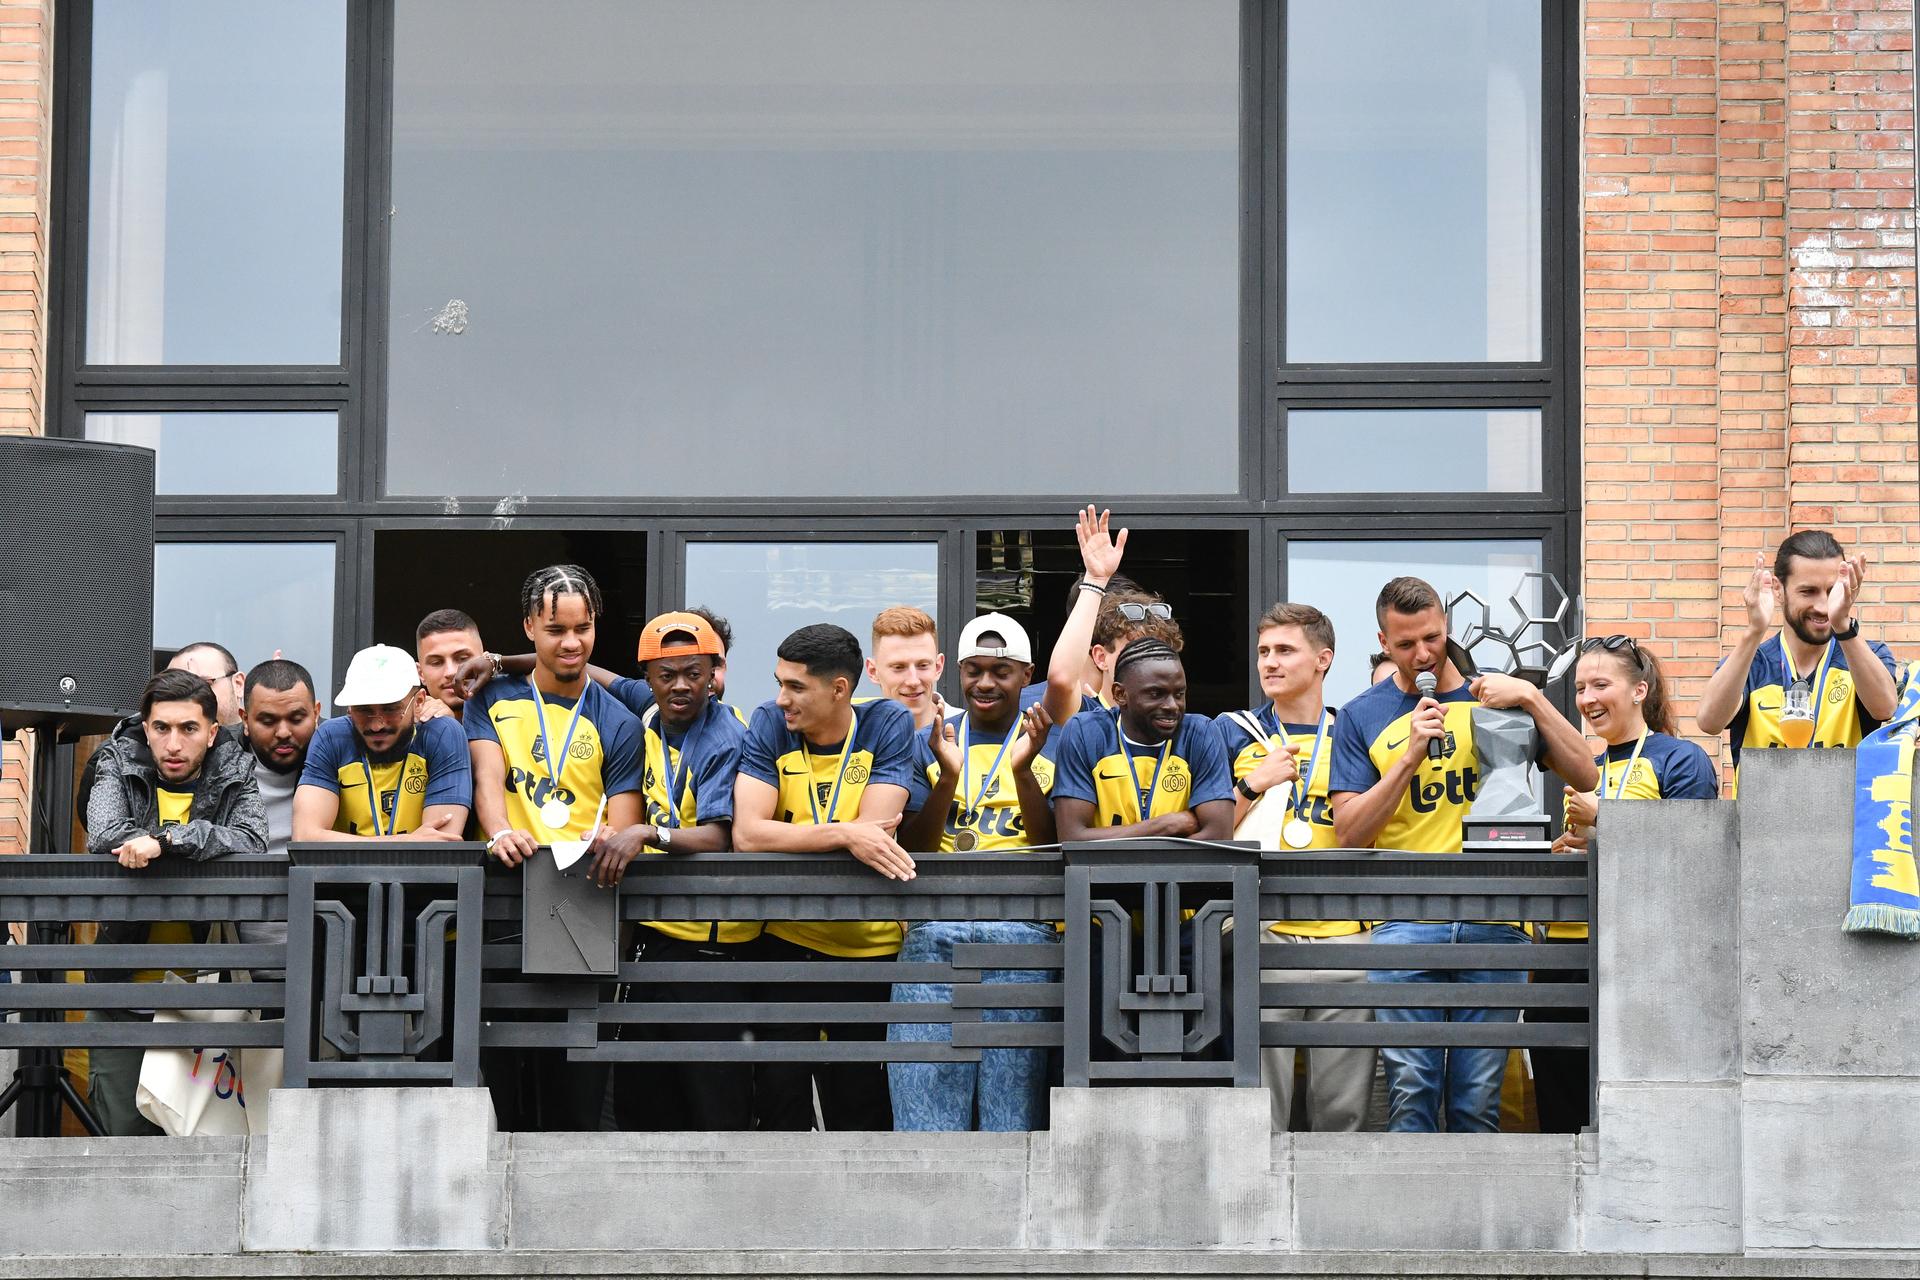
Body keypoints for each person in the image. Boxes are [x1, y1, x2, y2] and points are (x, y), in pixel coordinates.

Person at [1328, 576, 1598, 1134]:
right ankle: (1413, 1220)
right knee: (1412, 1093)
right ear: (1383, 640)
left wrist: (1529, 695)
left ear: (1446, 624)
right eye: (1405, 645)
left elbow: (1585, 771)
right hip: (1406, 920)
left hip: (1496, 918)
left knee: (1478, 1099)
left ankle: (1479, 1223)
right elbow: (1350, 833)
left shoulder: (1495, 694)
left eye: (1431, 636)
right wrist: (1407, 759)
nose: (1423, 653)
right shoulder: (1362, 714)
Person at [465, 565, 643, 1130]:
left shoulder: (619, 718)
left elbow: (625, 814)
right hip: (501, 906)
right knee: (502, 1091)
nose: (571, 642)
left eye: (583, 628)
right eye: (555, 629)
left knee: (574, 1091)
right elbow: (487, 782)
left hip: (580, 907)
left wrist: (612, 837)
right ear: (528, 628)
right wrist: (499, 831)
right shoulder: (491, 698)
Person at [732, 623, 919, 1130]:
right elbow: (748, 835)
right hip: (784, 943)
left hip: (868, 952)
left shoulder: (887, 723)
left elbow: (876, 834)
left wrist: (842, 835)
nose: (780, 698)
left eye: (796, 687)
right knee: (779, 1104)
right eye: (779, 682)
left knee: (860, 1110)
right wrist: (843, 834)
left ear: (839, 689)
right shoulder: (771, 721)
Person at [578, 612, 754, 1130]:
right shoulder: (646, 705)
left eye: (693, 673)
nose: (680, 686)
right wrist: (499, 660)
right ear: (647, 676)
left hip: (713, 947)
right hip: (653, 936)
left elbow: (719, 837)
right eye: (667, 675)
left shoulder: (726, 736)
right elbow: (583, 668)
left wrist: (646, 833)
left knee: (712, 1102)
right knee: (642, 1096)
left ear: (713, 671)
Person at [1534, 635, 1717, 1133]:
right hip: (1569, 956)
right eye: (1580, 688)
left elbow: (1694, 858)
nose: (1587, 699)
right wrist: (1575, 848)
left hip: (1643, 957)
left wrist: (1606, 821)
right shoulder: (1586, 767)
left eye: (1600, 685)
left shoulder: (1682, 759)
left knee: (1637, 1106)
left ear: (1639, 691)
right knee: (1562, 1103)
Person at [890, 613, 1058, 1132]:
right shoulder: (928, 738)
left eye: (1001, 671)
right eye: (973, 670)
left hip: (1023, 930)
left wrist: (1024, 771)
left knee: (1012, 1113)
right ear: (957, 673)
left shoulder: (1055, 737)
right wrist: (949, 777)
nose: (985, 683)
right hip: (935, 928)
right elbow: (913, 848)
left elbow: (1053, 845)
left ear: (1026, 674)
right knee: (925, 1112)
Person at [82, 669, 268, 1135]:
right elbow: (103, 833)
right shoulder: (116, 759)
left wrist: (166, 842)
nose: (173, 743)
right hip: (122, 991)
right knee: (123, 1137)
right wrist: (194, 847)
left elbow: (250, 839)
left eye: (188, 729)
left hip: (203, 994)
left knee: (206, 1142)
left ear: (211, 732)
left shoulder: (235, 766)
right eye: (161, 728)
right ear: (146, 728)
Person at [1215, 603, 1373, 1133]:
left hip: (1345, 934)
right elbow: (1208, 829)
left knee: (1343, 1108)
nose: (1270, 662)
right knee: (1261, 1109)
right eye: (1263, 651)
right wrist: (1253, 783)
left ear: (1323, 659)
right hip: (1264, 933)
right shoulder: (1232, 730)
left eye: (1285, 650)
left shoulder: (1355, 730)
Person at [1696, 530, 1899, 793]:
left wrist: (1843, 626)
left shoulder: (1866, 654)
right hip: (1761, 824)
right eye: (1808, 592)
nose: (1822, 606)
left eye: (1831, 590)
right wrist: (1754, 631)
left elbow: (1884, 708)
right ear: (1779, 590)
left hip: (1845, 822)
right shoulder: (1752, 663)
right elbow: (1709, 722)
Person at [1051, 639, 1234, 843]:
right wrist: (1166, 825)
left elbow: (1219, 838)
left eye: (1179, 694)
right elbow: (1072, 839)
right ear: (1120, 694)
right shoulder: (1085, 733)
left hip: (1182, 875)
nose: (1172, 706)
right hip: (1102, 875)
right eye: (1156, 694)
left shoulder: (1202, 734)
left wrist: (1125, 843)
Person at [293, 645, 472, 843]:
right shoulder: (331, 738)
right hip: (341, 875)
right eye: (363, 710)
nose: (377, 725)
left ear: (419, 702)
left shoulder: (442, 734)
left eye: (391, 709)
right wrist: (406, 842)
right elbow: (305, 837)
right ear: (350, 708)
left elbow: (439, 846)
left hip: (420, 875)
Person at [1041, 506, 1182, 726]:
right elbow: (1061, 680)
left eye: (1157, 650)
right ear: (1100, 657)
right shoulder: (1086, 718)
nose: (1146, 659)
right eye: (1133, 648)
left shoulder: (1191, 729)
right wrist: (1095, 580)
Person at [242, 659, 322, 858]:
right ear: (245, 720)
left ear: (316, 713)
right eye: (268, 721)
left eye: (296, 719)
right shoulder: (217, 758)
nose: (283, 732)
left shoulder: (340, 754)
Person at [868, 605, 949, 729]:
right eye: (899, 667)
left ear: (938, 667)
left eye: (922, 666)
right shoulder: (854, 736)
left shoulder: (969, 730)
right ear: (873, 671)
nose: (913, 681)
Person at [416, 608, 487, 722]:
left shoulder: (516, 711)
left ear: (486, 662)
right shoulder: (407, 730)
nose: (450, 672)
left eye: (462, 659)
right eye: (436, 663)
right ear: (421, 674)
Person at [167, 641, 245, 727]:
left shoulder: (258, 738)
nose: (189, 697)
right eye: (176, 689)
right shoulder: (160, 738)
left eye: (203, 684)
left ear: (238, 685)